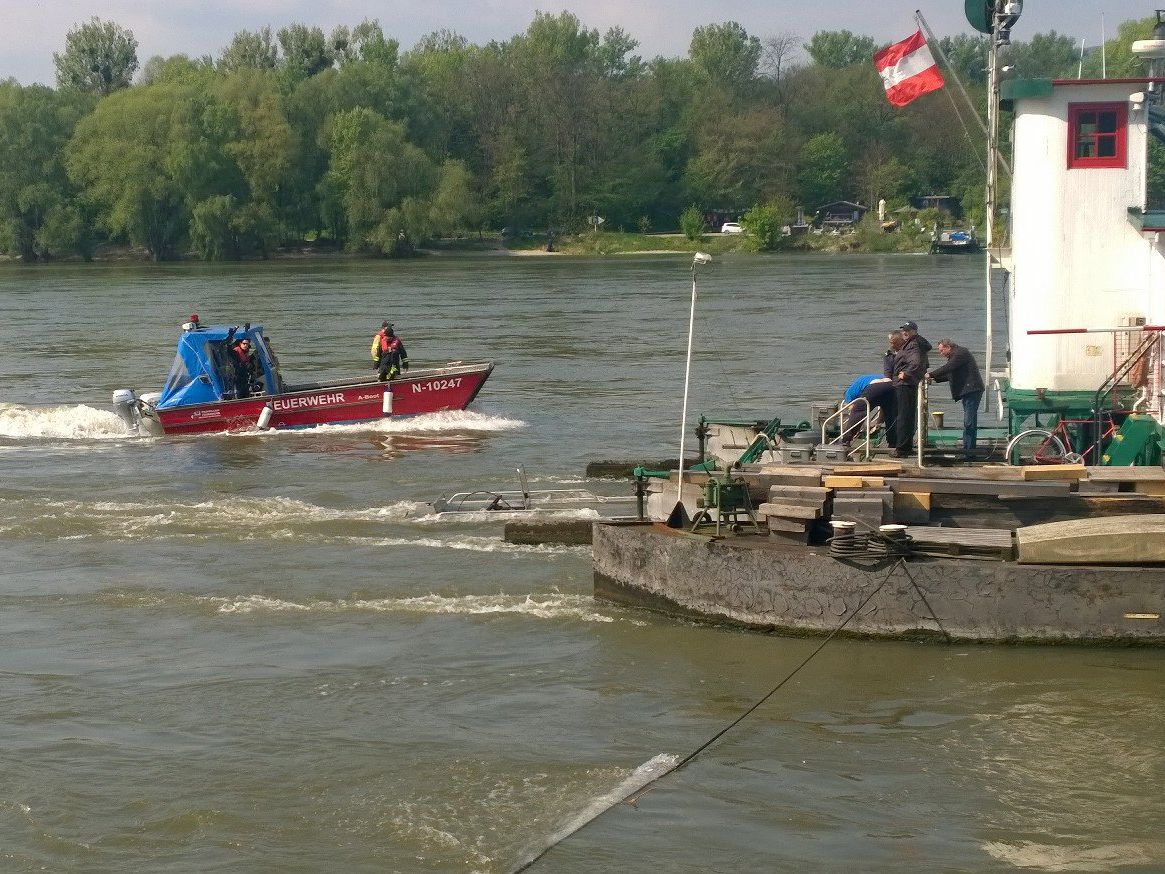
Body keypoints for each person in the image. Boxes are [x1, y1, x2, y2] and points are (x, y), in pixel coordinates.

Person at [928, 338, 985, 456]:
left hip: (972, 390)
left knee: (969, 421)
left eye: (941, 350)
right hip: (968, 391)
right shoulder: (956, 356)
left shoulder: (961, 353)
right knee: (969, 421)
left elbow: (948, 368)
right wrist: (934, 379)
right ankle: (968, 449)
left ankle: (969, 451)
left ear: (948, 347)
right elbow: (950, 374)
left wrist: (930, 374)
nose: (941, 353)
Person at [891, 321, 932, 458]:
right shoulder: (915, 343)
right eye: (903, 330)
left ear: (914, 331)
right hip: (909, 383)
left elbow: (915, 362)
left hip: (905, 384)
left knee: (903, 416)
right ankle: (906, 446)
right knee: (908, 416)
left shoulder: (913, 345)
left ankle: (902, 449)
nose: (904, 332)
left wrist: (906, 373)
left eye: (907, 330)